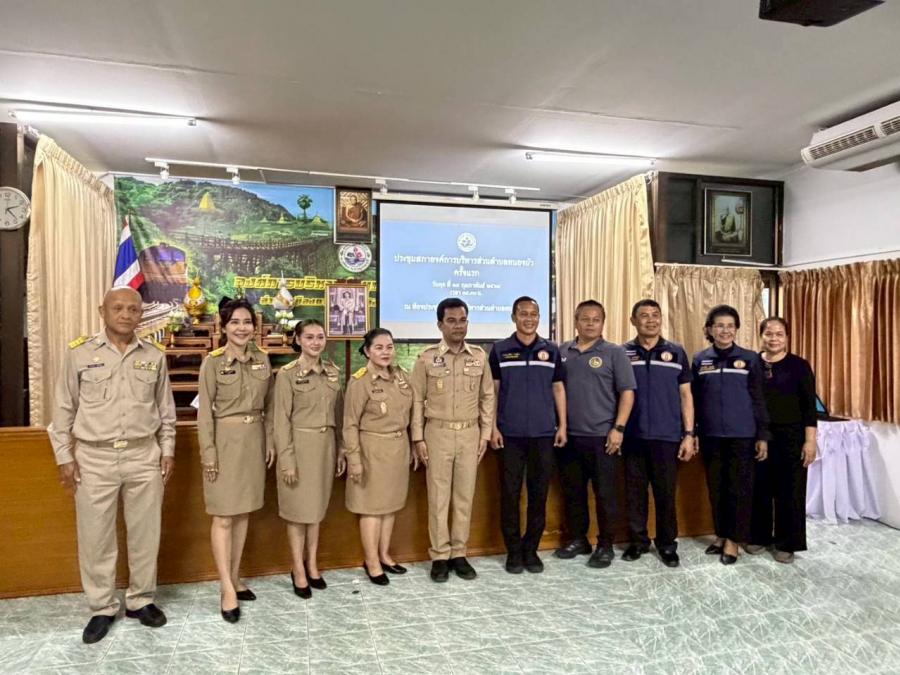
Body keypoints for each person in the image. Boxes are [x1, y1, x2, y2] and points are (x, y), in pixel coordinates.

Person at [48, 286, 176, 644]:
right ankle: (102, 607)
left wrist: (167, 450)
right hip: (94, 457)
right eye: (117, 308)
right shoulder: (79, 353)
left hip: (143, 455)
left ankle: (141, 600)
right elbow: (63, 409)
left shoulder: (154, 355)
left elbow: (165, 411)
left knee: (145, 533)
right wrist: (64, 456)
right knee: (96, 536)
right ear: (102, 311)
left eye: (133, 309)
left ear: (141, 315)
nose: (125, 314)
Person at [198, 298, 275, 622]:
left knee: (243, 512)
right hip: (224, 443)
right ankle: (226, 587)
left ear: (253, 327)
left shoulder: (263, 360)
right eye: (235, 322)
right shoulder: (212, 363)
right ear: (224, 326)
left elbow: (270, 406)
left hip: (253, 441)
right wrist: (209, 453)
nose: (241, 328)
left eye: (246, 322)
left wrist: (269, 440)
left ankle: (235, 576)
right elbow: (205, 414)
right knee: (223, 516)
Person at [411, 298, 494, 582]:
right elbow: (416, 400)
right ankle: (439, 555)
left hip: (470, 434)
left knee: (464, 496)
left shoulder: (479, 357)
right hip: (437, 433)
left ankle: (459, 553)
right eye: (451, 321)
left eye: (462, 320)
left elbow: (487, 397)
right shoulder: (426, 358)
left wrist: (485, 434)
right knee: (438, 497)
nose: (458, 326)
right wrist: (418, 437)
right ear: (440, 324)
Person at [555, 300, 635, 569]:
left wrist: (618, 429)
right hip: (569, 437)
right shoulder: (562, 351)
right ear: (576, 321)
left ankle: (605, 544)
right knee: (573, 493)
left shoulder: (615, 353)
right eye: (585, 319)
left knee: (605, 495)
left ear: (603, 323)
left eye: (596, 319)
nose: (590, 324)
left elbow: (627, 393)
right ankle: (578, 539)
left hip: (603, 437)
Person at [489, 297, 566, 575]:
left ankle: (531, 549)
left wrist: (563, 425)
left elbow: (558, 388)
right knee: (510, 495)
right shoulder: (500, 350)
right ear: (514, 317)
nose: (529, 318)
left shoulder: (551, 350)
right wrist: (492, 427)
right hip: (509, 435)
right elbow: (493, 391)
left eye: (534, 314)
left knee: (538, 494)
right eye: (523, 314)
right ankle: (513, 550)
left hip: (544, 434)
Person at [692, 304, 770, 565]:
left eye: (730, 326)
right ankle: (721, 534)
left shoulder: (750, 359)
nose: (725, 331)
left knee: (739, 489)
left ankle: (734, 540)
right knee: (716, 488)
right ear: (709, 329)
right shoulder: (700, 360)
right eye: (719, 326)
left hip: (743, 436)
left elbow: (759, 399)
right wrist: (693, 432)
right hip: (711, 435)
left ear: (736, 329)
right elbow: (694, 399)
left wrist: (762, 435)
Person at [621, 299, 696, 568]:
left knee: (665, 494)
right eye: (644, 315)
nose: (650, 320)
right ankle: (638, 541)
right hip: (633, 436)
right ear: (633, 320)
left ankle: (666, 544)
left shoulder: (676, 352)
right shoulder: (622, 353)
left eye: (655, 315)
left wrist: (689, 434)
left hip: (667, 436)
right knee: (635, 495)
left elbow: (686, 395)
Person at [274, 319, 345, 599]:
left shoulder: (332, 372)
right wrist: (287, 459)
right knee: (297, 513)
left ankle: (312, 564)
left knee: (316, 511)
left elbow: (339, 415)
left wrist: (340, 449)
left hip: (325, 446)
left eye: (320, 337)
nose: (316, 342)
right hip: (299, 448)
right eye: (309, 337)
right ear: (298, 340)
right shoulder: (287, 375)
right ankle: (297, 568)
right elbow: (281, 421)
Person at [343, 328, 416, 585]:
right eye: (379, 347)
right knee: (371, 508)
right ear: (367, 351)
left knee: (390, 505)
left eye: (389, 347)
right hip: (371, 451)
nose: (386, 352)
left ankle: (384, 555)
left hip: (398, 448)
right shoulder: (360, 382)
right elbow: (350, 424)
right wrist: (354, 460)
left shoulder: (401, 376)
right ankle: (371, 561)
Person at [747, 317, 817, 563]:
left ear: (787, 337)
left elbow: (809, 408)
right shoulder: (752, 363)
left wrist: (810, 441)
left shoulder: (799, 366)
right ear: (761, 336)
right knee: (759, 488)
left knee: (791, 491)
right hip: (758, 436)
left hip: (792, 437)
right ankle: (759, 536)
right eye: (769, 333)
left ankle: (788, 542)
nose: (773, 338)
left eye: (779, 334)